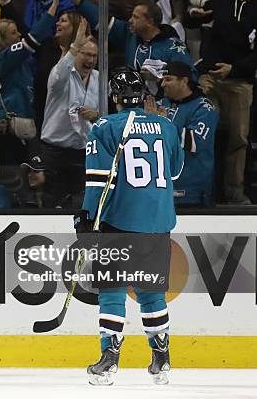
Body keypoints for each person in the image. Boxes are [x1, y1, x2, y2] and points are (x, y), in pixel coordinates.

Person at [75, 71, 184, 386]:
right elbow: (175, 171)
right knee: (152, 293)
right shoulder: (166, 126)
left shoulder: (105, 127)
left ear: (114, 97)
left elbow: (97, 180)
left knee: (112, 291)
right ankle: (161, 359)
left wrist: (87, 217)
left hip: (120, 220)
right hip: (159, 222)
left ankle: (109, 359)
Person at [195, 0, 256, 204]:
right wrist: (194, 16)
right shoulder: (221, 1)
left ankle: (234, 191)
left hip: (239, 80)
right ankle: (200, 188)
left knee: (239, 138)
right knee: (201, 131)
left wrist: (234, 69)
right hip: (210, 78)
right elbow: (193, 20)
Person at [0, 0, 59, 164]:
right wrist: (53, 9)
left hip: (20, 126)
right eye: (13, 33)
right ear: (2, 39)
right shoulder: (5, 58)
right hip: (9, 127)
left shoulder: (17, 62)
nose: (19, 35)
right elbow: (33, 37)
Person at [67, 0, 195, 86]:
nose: (130, 20)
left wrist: (159, 78)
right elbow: (104, 22)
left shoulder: (173, 46)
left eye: (135, 17)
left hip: (163, 109)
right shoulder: (130, 36)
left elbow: (190, 77)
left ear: (149, 21)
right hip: (133, 105)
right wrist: (77, 1)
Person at [40, 18, 99, 208]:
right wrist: (74, 47)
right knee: (53, 204)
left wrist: (96, 115)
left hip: (83, 154)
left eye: (94, 55)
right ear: (76, 55)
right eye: (85, 54)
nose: (90, 60)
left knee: (82, 206)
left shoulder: (99, 79)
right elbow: (61, 72)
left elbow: (107, 116)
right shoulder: (60, 75)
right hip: (54, 154)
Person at [157, 61, 219, 206]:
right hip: (163, 189)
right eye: (162, 80)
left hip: (193, 192)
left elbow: (194, 143)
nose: (162, 84)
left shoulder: (204, 108)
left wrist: (163, 124)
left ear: (184, 80)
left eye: (168, 79)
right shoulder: (161, 104)